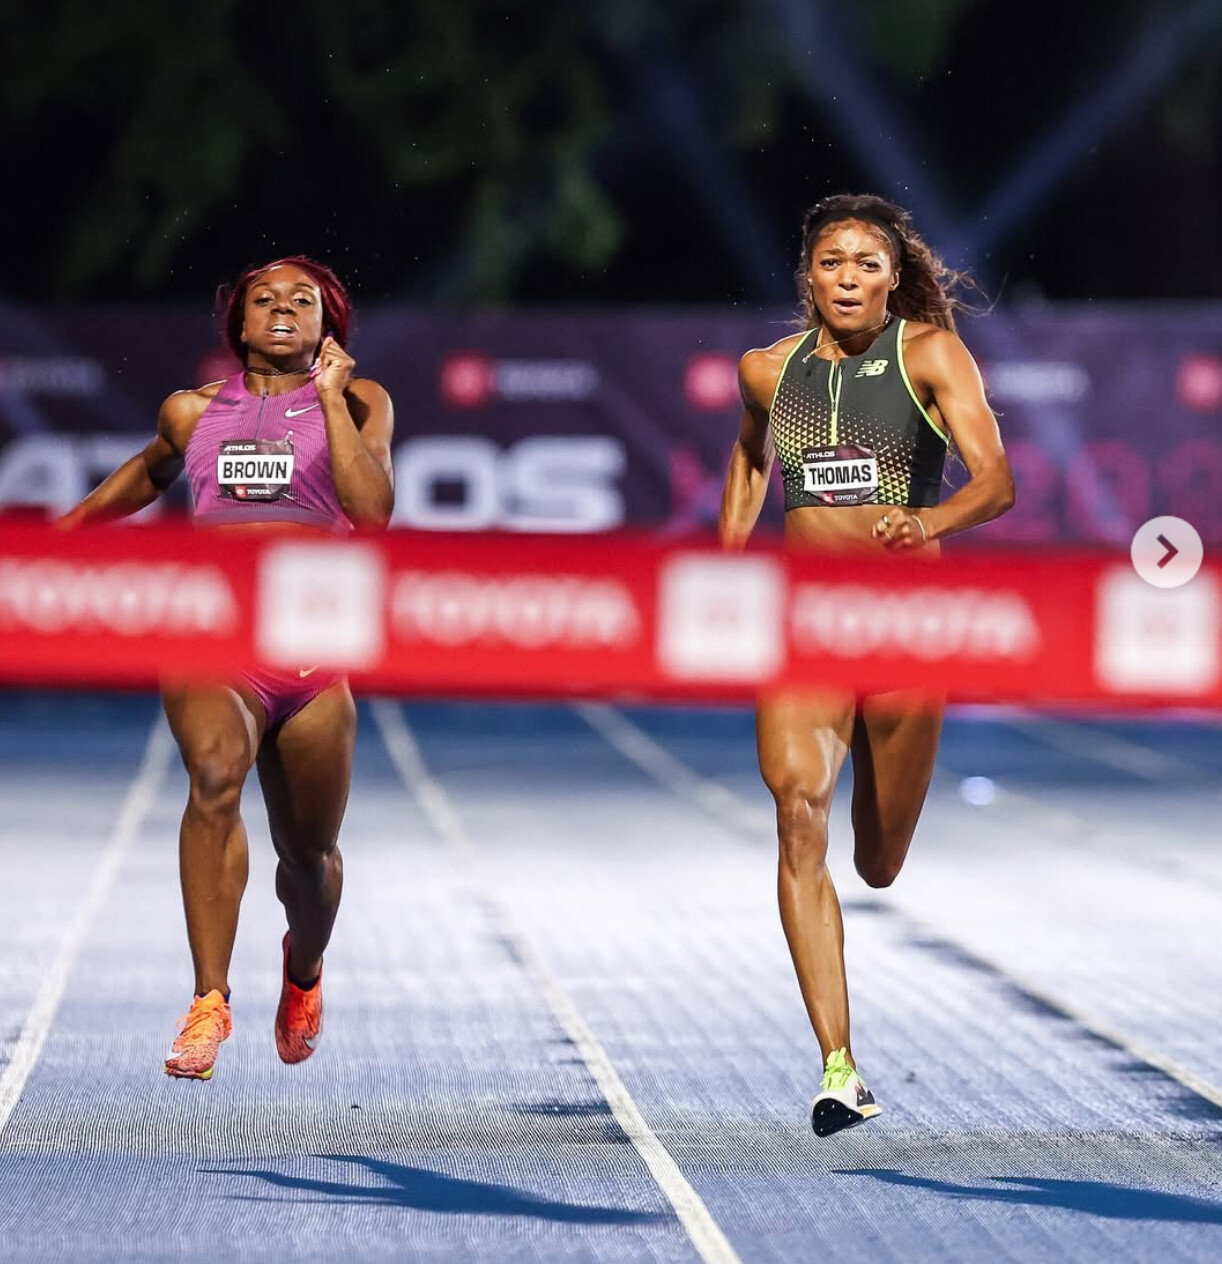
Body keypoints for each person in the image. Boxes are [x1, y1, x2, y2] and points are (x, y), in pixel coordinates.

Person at [720, 194, 1014, 1136]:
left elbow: (997, 480)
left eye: (866, 264)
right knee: (795, 810)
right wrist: (723, 568)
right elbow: (749, 464)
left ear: (893, 278)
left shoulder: (930, 354)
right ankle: (838, 1067)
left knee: (878, 861)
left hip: (905, 629)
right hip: (806, 626)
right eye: (831, 262)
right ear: (807, 276)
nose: (847, 278)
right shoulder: (767, 371)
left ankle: (877, 839)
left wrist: (929, 521)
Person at [58, 256, 395, 1079]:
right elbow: (149, 470)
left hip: (313, 653)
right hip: (213, 636)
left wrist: (327, 397)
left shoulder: (360, 401)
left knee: (309, 862)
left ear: (328, 325)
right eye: (263, 300)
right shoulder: (192, 410)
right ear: (238, 324)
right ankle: (208, 1002)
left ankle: (303, 970)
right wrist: (59, 538)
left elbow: (372, 513)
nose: (281, 309)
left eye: (302, 301)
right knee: (213, 774)